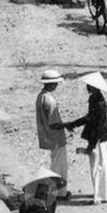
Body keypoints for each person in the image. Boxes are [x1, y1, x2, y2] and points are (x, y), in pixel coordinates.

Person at [68, 72, 107, 205]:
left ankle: (98, 196)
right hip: (98, 137)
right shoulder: (95, 99)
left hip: (98, 138)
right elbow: (89, 118)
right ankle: (103, 194)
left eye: (89, 85)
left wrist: (91, 144)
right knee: (100, 166)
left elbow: (97, 125)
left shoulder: (100, 104)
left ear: (94, 87)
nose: (87, 87)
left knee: (97, 167)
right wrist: (74, 123)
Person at [35, 69, 74, 201]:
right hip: (56, 136)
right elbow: (54, 123)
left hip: (47, 136)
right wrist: (68, 124)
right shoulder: (50, 100)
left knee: (55, 163)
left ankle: (57, 191)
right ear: (52, 84)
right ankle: (58, 193)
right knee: (59, 166)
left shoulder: (41, 96)